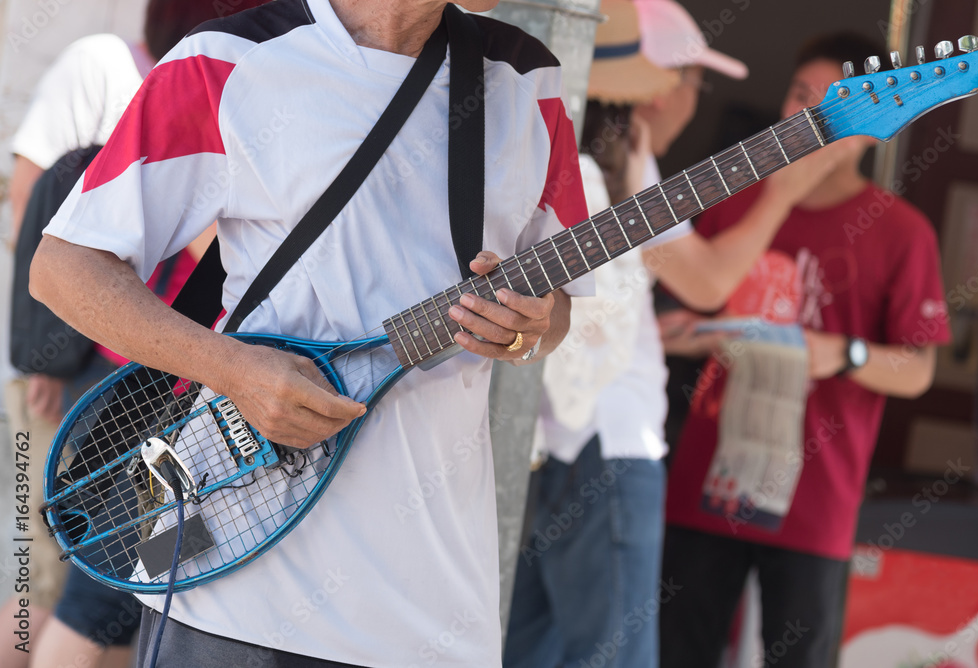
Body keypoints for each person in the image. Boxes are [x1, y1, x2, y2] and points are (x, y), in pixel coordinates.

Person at [29, 0, 590, 666]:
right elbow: (62, 266)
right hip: (233, 581)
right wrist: (230, 368)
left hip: (436, 609)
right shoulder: (227, 58)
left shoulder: (530, 77)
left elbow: (553, 311)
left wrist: (528, 331)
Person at [503, 3, 855, 667]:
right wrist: (781, 192)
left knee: (531, 653)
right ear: (658, 89)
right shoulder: (608, 167)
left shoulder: (603, 157)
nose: (694, 98)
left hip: (557, 445)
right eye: (695, 81)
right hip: (609, 449)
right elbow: (708, 281)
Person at [658, 33, 950, 668]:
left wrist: (845, 354)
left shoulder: (904, 233)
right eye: (800, 94)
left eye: (834, 101)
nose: (810, 115)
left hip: (818, 497)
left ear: (875, 121)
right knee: (676, 649)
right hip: (710, 479)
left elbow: (920, 369)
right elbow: (672, 318)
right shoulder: (730, 201)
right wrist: (689, 334)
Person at [0, 2, 269, 667]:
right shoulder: (108, 66)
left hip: (179, 399)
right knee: (60, 588)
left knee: (125, 593)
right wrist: (48, 356)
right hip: (94, 385)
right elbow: (35, 229)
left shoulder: (242, 88)